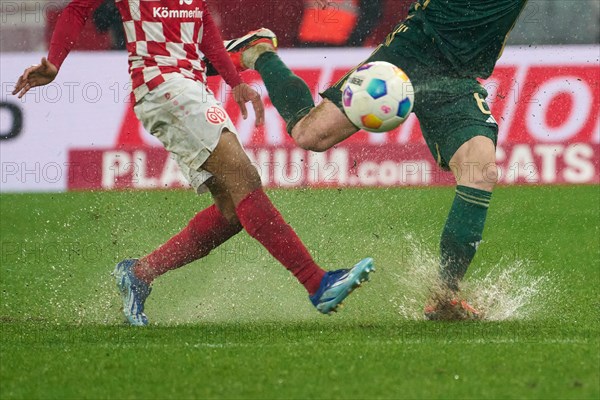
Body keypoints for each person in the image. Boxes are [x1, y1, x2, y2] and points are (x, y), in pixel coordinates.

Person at [12, 0, 374, 326]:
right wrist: (55, 64)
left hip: (192, 85)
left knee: (233, 211)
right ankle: (317, 283)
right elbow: (77, 8)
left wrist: (234, 82)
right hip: (161, 86)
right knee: (244, 178)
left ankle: (139, 274)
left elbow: (203, 22)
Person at [206, 0, 529, 320]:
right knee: (310, 135)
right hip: (407, 55)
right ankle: (259, 52)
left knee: (480, 170)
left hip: (458, 79)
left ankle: (445, 294)